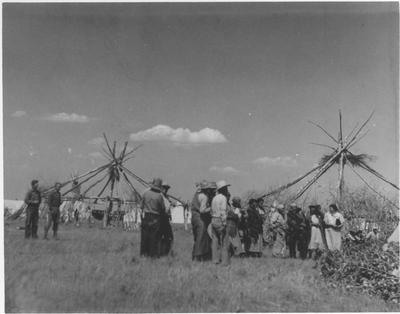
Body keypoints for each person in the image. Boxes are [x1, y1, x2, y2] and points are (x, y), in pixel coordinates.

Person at [140, 178, 166, 258]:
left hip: (146, 216)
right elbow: (163, 209)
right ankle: (152, 255)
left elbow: (141, 206)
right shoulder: (159, 196)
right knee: (154, 238)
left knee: (144, 238)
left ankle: (143, 254)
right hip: (155, 218)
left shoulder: (145, 194)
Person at [211, 180, 231, 266]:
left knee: (215, 241)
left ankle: (215, 260)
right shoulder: (223, 198)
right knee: (224, 241)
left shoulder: (214, 198)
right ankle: (225, 262)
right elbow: (223, 211)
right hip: (220, 219)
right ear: (223, 189)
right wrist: (224, 222)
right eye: (226, 188)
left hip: (213, 219)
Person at [191, 180, 212, 261]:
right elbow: (202, 210)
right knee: (201, 237)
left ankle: (195, 256)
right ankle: (198, 257)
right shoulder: (204, 197)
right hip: (200, 218)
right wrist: (211, 208)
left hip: (194, 217)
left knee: (197, 237)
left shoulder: (196, 194)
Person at [160, 182, 174, 256]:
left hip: (166, 218)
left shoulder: (166, 197)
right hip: (161, 218)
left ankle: (166, 252)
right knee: (163, 237)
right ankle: (162, 252)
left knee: (169, 237)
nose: (166, 190)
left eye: (167, 188)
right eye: (164, 188)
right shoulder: (160, 197)